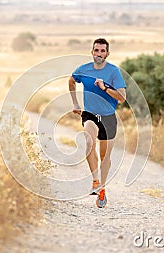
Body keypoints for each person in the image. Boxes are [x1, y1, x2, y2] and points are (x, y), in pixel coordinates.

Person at [68, 38, 126, 208]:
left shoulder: (114, 72)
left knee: (104, 157)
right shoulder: (83, 70)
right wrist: (76, 103)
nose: (99, 54)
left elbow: (122, 98)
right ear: (92, 52)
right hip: (90, 114)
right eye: (96, 50)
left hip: (108, 117)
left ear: (108, 53)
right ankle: (95, 181)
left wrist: (105, 88)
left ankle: (102, 188)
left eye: (102, 51)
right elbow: (71, 81)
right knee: (88, 142)